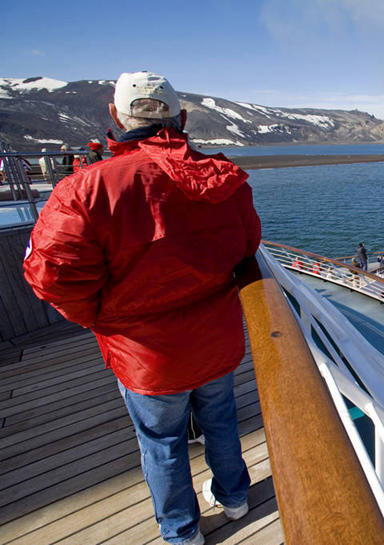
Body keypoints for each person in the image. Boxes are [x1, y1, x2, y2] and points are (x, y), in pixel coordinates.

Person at [23, 71, 261, 545]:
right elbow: (246, 245)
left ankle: (182, 531)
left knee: (163, 445)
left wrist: (97, 316)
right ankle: (235, 499)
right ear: (183, 118)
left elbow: (50, 277)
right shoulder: (223, 178)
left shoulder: (86, 189)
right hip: (215, 340)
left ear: (115, 116)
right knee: (221, 420)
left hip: (146, 357)